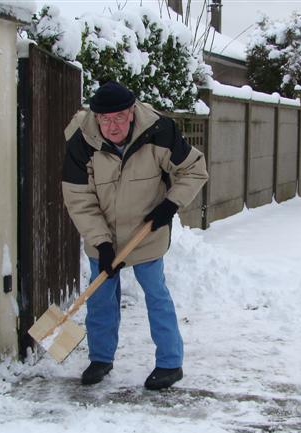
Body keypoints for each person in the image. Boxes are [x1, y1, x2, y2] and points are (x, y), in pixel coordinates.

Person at [62, 80, 208, 390]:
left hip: (147, 230)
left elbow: (194, 169)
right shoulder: (80, 141)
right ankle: (100, 359)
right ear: (95, 116)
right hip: (102, 232)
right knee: (100, 296)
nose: (112, 126)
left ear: (132, 112)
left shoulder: (159, 131)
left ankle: (170, 363)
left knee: (156, 293)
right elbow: (79, 198)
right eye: (104, 119)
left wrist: (169, 205)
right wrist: (101, 243)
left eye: (118, 117)